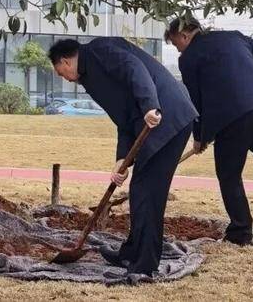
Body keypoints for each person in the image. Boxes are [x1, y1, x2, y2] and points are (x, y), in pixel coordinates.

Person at [48, 36, 196, 277]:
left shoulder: (99, 51)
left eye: (59, 71)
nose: (61, 77)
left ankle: (145, 264)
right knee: (140, 190)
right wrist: (122, 159)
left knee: (149, 192)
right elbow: (123, 117)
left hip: (168, 118)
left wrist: (150, 105)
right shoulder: (90, 78)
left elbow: (134, 69)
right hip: (153, 123)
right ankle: (131, 253)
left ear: (65, 61)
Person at [166, 17, 253, 245]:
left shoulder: (189, 58)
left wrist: (199, 136)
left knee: (229, 176)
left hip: (233, 120)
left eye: (174, 43)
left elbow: (196, 100)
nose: (177, 49)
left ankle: (240, 232)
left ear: (184, 35)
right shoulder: (234, 37)